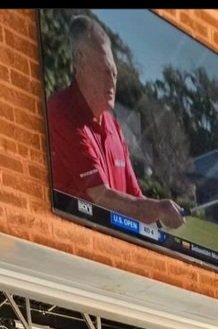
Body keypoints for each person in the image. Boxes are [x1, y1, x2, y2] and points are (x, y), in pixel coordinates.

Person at [46, 14, 185, 229]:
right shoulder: (60, 110)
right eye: (104, 70)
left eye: (114, 73)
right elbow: (100, 196)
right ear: (80, 62)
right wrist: (158, 208)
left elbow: (134, 194)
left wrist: (157, 227)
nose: (111, 82)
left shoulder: (114, 126)